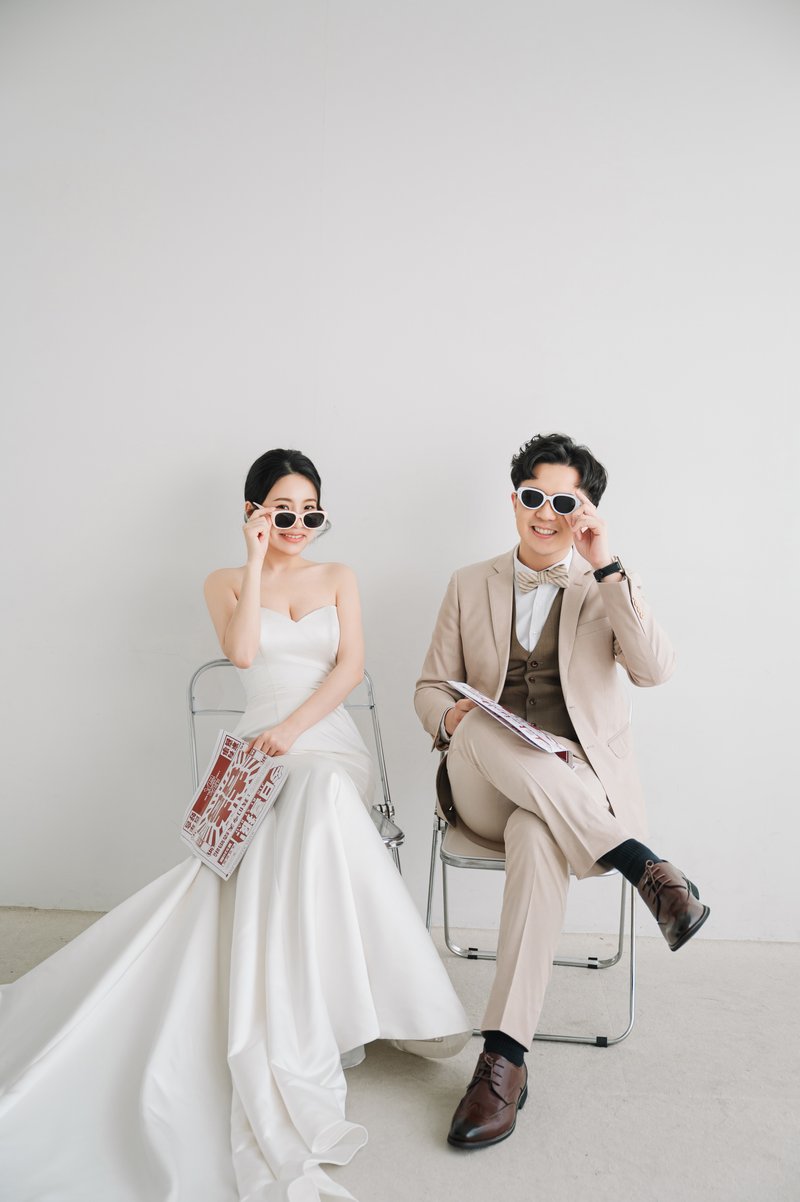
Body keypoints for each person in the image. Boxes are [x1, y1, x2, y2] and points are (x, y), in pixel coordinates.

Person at [0, 448, 469, 1202]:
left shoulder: (339, 576)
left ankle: (335, 1005)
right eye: (283, 511)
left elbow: (349, 670)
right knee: (292, 810)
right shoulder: (223, 581)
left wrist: (294, 730)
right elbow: (243, 652)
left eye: (311, 512)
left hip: (326, 743)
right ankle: (307, 1010)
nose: (299, 525)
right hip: (257, 748)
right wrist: (254, 562)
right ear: (254, 513)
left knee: (320, 792)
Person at [415, 432, 710, 1151]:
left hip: (568, 796)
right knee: (476, 722)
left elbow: (654, 670)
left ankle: (503, 1061)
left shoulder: (604, 585)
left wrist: (605, 564)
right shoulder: (468, 582)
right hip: (482, 783)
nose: (545, 513)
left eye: (563, 502)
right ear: (513, 500)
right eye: (533, 496)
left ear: (586, 512)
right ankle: (645, 866)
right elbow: (429, 686)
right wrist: (449, 716)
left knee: (538, 831)